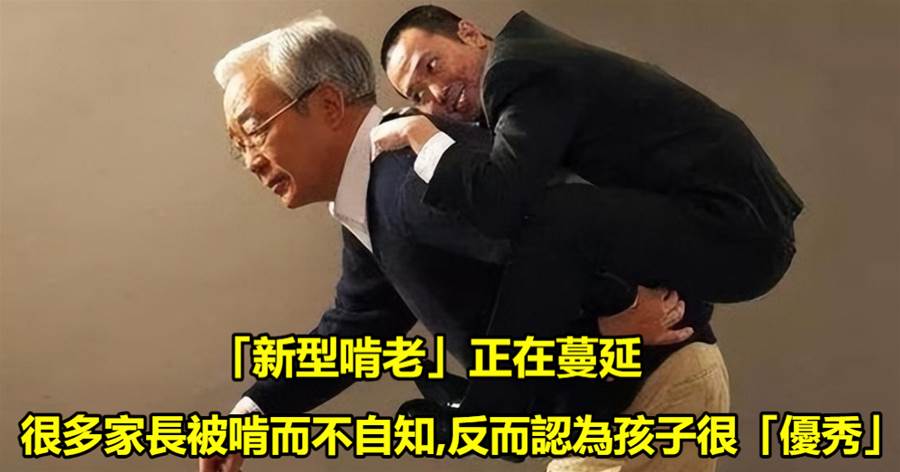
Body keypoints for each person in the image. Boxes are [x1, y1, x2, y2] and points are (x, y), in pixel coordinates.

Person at [202, 14, 727, 472]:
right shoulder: (377, 190)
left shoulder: (413, 176)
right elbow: (358, 328)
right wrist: (251, 414)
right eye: (238, 146)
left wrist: (619, 313)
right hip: (610, 411)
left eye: (254, 129)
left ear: (329, 104)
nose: (251, 160)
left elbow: (567, 220)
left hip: (648, 396)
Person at [374, 5, 802, 418]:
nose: (436, 93)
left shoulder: (519, 70)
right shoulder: (525, 65)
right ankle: (497, 396)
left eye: (432, 65)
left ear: (469, 33)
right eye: (419, 96)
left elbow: (501, 204)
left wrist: (420, 132)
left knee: (557, 216)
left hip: (742, 232)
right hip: (723, 221)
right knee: (564, 220)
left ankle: (490, 405)